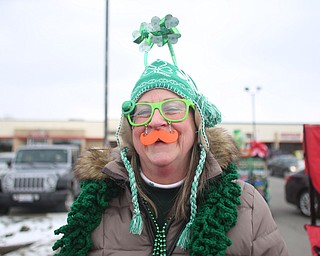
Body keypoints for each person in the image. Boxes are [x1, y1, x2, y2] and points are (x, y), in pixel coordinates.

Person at [53, 14, 288, 256]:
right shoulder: (92, 207)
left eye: (172, 109)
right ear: (130, 129)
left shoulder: (247, 207)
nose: (156, 121)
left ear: (197, 124)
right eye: (142, 112)